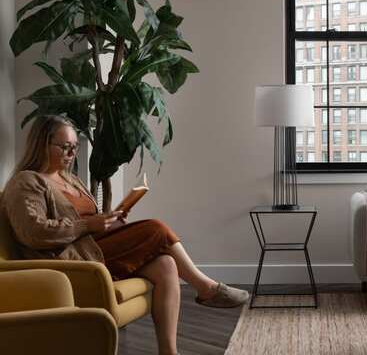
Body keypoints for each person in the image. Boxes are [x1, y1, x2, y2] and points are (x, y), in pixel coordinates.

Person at [0, 115, 249, 355]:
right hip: (69, 260)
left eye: (74, 146)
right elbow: (34, 232)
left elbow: (88, 220)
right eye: (65, 146)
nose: (72, 153)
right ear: (42, 144)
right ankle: (206, 288)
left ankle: (169, 352)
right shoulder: (28, 182)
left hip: (94, 246)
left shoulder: (72, 180)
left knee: (166, 264)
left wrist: (110, 221)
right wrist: (89, 226)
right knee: (156, 228)